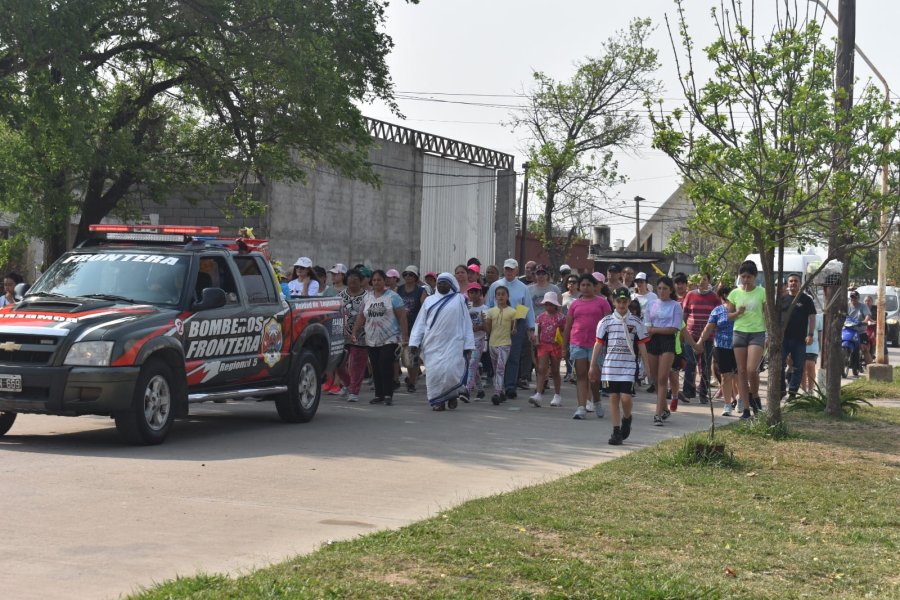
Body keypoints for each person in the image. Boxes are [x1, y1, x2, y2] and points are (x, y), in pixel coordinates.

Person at [590, 287, 650, 445]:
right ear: (613, 302)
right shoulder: (606, 322)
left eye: (625, 301)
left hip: (628, 365)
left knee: (625, 397)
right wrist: (593, 365)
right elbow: (598, 344)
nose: (622, 304)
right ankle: (616, 431)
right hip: (610, 366)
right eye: (619, 301)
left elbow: (642, 345)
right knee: (613, 397)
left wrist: (646, 366)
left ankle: (627, 417)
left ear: (629, 302)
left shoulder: (636, 322)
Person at [409, 273, 475, 411]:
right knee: (434, 373)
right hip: (432, 344)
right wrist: (414, 343)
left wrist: (468, 345)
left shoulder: (459, 300)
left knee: (450, 371)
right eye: (439, 283)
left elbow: (466, 323)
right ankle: (438, 401)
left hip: (454, 343)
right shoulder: (429, 301)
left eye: (445, 283)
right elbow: (420, 323)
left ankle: (451, 395)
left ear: (451, 284)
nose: (441, 285)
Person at [350, 270, 408, 406]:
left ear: (384, 281)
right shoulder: (367, 298)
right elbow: (361, 316)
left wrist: (405, 336)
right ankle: (379, 395)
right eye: (374, 280)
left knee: (385, 364)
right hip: (371, 338)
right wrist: (355, 331)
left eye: (379, 280)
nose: (376, 282)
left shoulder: (393, 297)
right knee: (375, 367)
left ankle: (388, 394)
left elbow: (402, 316)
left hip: (390, 337)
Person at [485, 258, 536, 399]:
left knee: (513, 355)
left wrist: (531, 328)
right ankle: (499, 386)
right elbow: (488, 305)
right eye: (507, 269)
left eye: (511, 269)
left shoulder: (522, 287)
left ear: (516, 270)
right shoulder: (496, 285)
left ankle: (510, 386)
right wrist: (486, 324)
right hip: (498, 322)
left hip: (516, 323)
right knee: (497, 356)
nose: (509, 271)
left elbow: (527, 308)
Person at [563, 273, 611, 418]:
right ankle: (581, 407)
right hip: (577, 343)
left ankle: (596, 401)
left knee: (594, 378)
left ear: (595, 286)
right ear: (579, 286)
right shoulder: (575, 304)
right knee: (581, 376)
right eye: (582, 285)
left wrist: (608, 345)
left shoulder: (603, 302)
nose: (585, 288)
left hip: (597, 344)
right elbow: (568, 326)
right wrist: (563, 347)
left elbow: (609, 324)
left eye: (588, 285)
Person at [727, 260, 767, 419]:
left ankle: (755, 395)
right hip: (739, 333)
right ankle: (746, 408)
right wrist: (738, 313)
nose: (746, 279)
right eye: (743, 276)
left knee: (752, 369)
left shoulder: (762, 292)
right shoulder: (735, 293)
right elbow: (728, 316)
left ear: (755, 276)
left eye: (749, 276)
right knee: (741, 371)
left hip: (757, 332)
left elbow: (767, 314)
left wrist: (769, 334)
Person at [694, 286, 737, 416]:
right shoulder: (718, 311)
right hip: (721, 346)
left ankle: (741, 399)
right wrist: (700, 342)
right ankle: (727, 404)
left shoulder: (742, 311)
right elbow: (708, 328)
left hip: (739, 346)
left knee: (739, 375)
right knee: (725, 375)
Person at [646, 276, 682, 426]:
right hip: (653, 341)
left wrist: (654, 329)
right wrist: (651, 330)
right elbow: (647, 324)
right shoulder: (652, 304)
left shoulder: (675, 305)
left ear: (671, 290)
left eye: (665, 288)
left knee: (662, 379)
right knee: (655, 380)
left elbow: (674, 328)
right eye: (659, 288)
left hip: (668, 342)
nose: (662, 291)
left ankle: (657, 414)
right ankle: (664, 408)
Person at [681, 272, 719, 403]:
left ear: (709, 281)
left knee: (705, 366)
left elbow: (717, 317)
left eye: (704, 279)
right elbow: (684, 315)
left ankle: (703, 393)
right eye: (699, 279)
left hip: (708, 337)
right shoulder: (690, 295)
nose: (701, 282)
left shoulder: (714, 298)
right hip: (690, 336)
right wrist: (681, 333)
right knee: (690, 363)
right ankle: (687, 392)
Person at [524, 264, 560, 386]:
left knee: (549, 355)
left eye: (543, 273)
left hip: (551, 327)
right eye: (538, 273)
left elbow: (559, 310)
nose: (540, 276)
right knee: (536, 354)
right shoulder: (528, 289)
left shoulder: (554, 289)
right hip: (534, 326)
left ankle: (545, 377)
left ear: (547, 275)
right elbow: (524, 308)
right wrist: (526, 327)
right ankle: (541, 377)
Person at [781, 273, 817, 398]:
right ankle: (781, 389)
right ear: (787, 283)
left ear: (800, 283)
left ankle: (792, 393)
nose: (793, 283)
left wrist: (810, 334)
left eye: (796, 281)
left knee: (798, 367)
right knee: (779, 365)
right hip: (783, 339)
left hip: (800, 340)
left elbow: (812, 317)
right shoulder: (782, 299)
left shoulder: (806, 299)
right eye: (790, 281)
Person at [336, 269, 369, 403]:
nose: (353, 283)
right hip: (341, 336)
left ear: (361, 282)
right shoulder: (340, 296)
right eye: (350, 281)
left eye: (356, 281)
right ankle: (348, 384)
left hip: (361, 336)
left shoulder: (368, 297)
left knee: (356, 364)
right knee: (338, 363)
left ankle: (354, 391)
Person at [529, 291, 566, 408]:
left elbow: (564, 332)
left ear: (555, 305)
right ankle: (538, 394)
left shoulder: (561, 318)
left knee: (555, 370)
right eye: (546, 304)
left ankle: (557, 395)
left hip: (556, 345)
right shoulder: (540, 317)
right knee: (541, 369)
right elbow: (537, 331)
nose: (548, 306)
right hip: (543, 345)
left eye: (551, 304)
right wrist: (535, 339)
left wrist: (564, 346)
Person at [397, 265, 429, 392]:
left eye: (411, 274)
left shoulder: (421, 291)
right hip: (401, 326)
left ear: (416, 277)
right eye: (405, 274)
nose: (408, 277)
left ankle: (412, 381)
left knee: (413, 355)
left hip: (416, 326)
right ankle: (411, 377)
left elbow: (425, 307)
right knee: (405, 357)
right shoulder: (399, 290)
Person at [485, 285, 517, 405]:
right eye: (498, 294)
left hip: (505, 344)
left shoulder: (512, 311)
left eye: (503, 294)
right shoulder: (491, 311)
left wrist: (514, 330)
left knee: (500, 368)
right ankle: (501, 391)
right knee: (496, 369)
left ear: (507, 296)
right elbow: (488, 329)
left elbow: (514, 327)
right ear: (495, 297)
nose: (500, 296)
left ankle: (497, 393)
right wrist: (485, 322)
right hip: (492, 343)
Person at [465, 282, 489, 400]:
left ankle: (467, 391)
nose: (473, 294)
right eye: (470, 292)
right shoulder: (467, 307)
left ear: (480, 293)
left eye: (475, 292)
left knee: (472, 365)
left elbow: (487, 328)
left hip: (479, 340)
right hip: (468, 341)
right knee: (472, 366)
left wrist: (479, 327)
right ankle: (480, 390)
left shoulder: (485, 309)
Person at [848, 290, 874, 365]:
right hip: (849, 331)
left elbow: (868, 315)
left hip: (860, 331)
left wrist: (865, 321)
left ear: (858, 298)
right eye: (852, 298)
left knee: (864, 348)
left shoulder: (863, 306)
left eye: (855, 298)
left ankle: (870, 367)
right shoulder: (847, 305)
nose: (853, 299)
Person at [802, 311, 824, 394]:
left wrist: (821, 348)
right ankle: (804, 391)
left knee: (810, 365)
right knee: (802, 368)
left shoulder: (818, 317)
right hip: (800, 345)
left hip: (813, 345)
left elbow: (820, 334)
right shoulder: (799, 315)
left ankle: (810, 390)